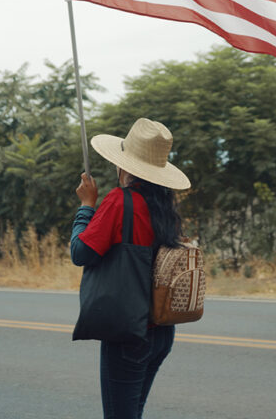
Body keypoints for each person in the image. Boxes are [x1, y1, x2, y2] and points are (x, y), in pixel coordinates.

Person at [70, 117, 191, 419]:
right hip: (162, 331)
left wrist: (86, 206)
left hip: (129, 334)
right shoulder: (166, 209)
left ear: (123, 164)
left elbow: (81, 252)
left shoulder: (119, 202)